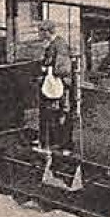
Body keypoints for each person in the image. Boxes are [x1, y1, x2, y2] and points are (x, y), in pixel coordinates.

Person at [37, 21, 72, 151]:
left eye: (40, 31)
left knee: (60, 114)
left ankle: (62, 144)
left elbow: (63, 69)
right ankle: (50, 141)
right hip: (54, 84)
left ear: (46, 32)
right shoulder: (52, 44)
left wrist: (47, 70)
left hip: (60, 86)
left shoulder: (60, 45)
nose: (39, 34)